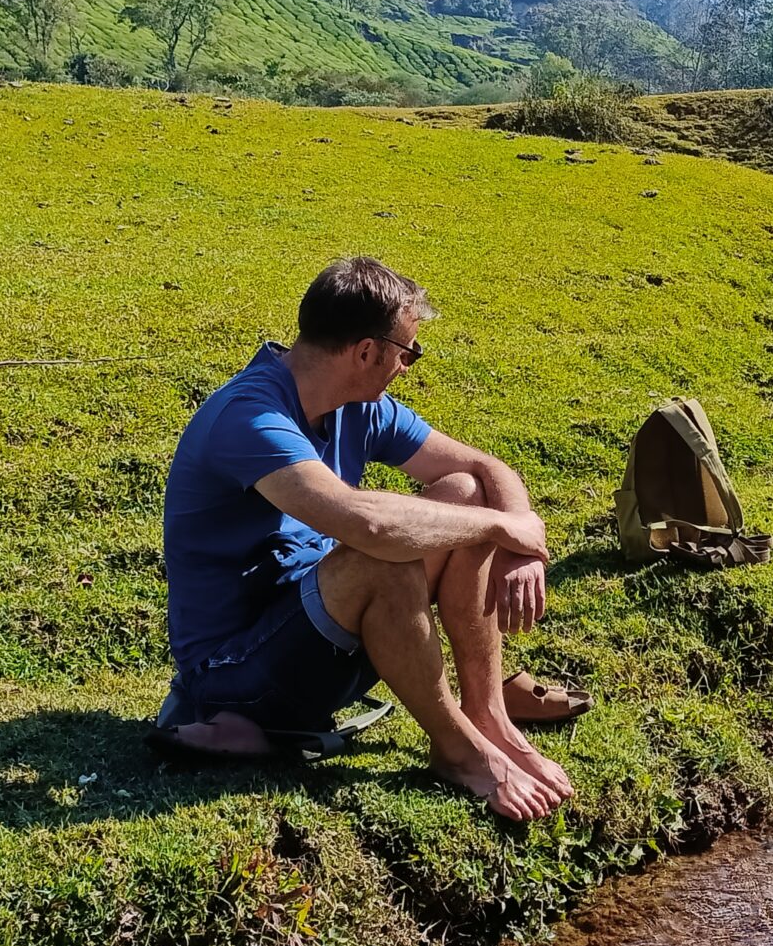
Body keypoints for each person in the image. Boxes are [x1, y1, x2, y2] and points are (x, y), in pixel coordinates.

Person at [161, 257, 575, 819]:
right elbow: (370, 527)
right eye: (407, 352)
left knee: (460, 493)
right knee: (390, 553)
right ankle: (458, 753)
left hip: (317, 636)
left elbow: (481, 470)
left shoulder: (359, 408)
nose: (407, 367)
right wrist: (503, 528)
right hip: (236, 679)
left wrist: (520, 537)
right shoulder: (250, 417)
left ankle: (487, 715)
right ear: (365, 351)